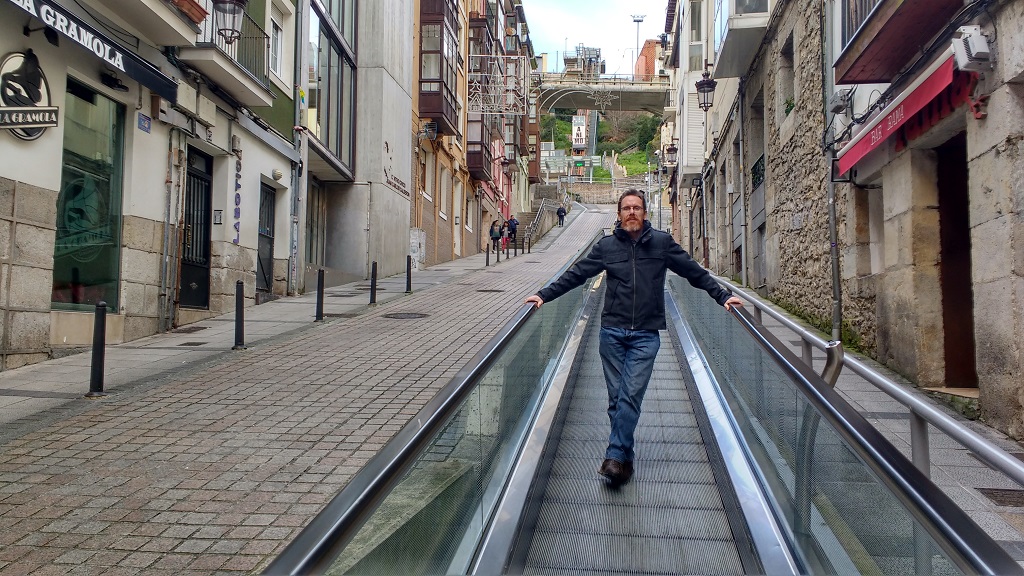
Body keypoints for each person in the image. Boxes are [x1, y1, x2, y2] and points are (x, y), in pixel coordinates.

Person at [524, 189, 742, 487]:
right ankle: (625, 460)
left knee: (629, 396)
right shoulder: (606, 247)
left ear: (644, 213)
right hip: (611, 333)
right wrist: (544, 295)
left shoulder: (663, 245)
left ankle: (614, 456)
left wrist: (723, 296)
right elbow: (577, 275)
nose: (631, 212)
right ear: (618, 214)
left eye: (636, 208)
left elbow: (695, 273)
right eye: (626, 208)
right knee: (616, 400)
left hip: (645, 335)